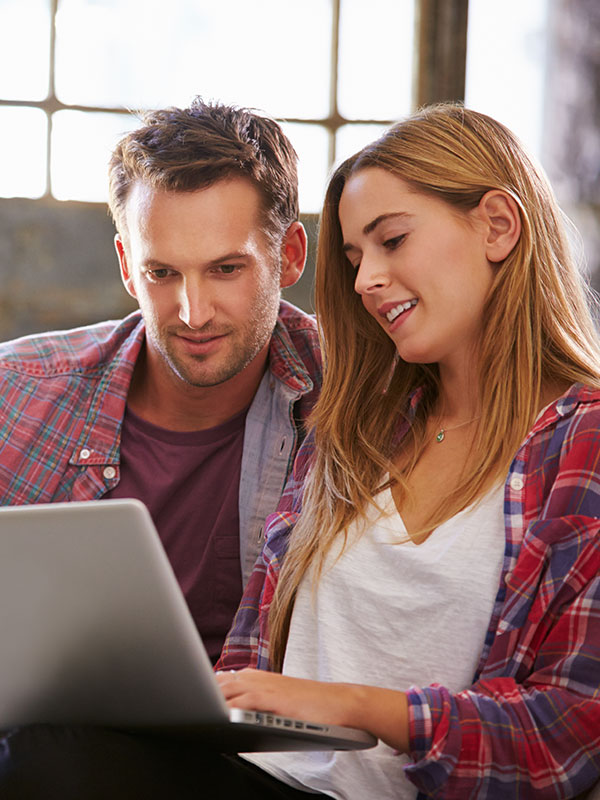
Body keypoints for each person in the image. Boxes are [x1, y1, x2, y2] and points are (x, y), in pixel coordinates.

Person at [213, 104, 600, 799]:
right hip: (260, 780)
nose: (363, 281)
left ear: (497, 226)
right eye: (356, 258)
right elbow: (252, 669)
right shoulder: (350, 432)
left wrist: (356, 706)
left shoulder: (583, 443)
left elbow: (565, 731)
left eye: (391, 240)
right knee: (50, 739)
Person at [0, 97, 321, 663]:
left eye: (226, 269)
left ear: (289, 256)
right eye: (162, 273)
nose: (193, 313)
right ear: (127, 266)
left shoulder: (357, 395)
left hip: (260, 748)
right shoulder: (15, 393)